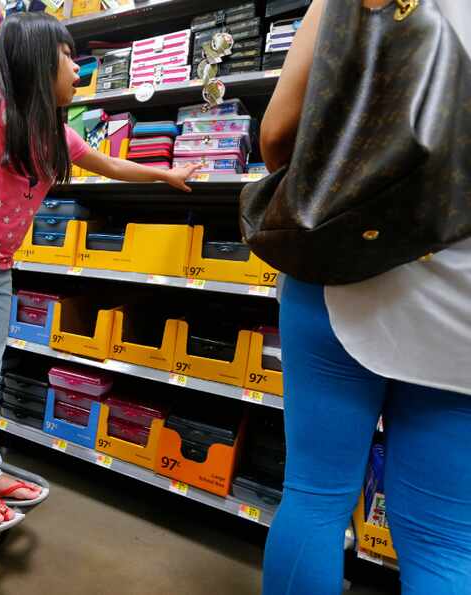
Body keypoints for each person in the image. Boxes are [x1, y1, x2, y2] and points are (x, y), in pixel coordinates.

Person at [0, 12, 200, 533]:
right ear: (35, 62)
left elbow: (112, 166)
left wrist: (166, 174)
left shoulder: (59, 136)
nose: (77, 66)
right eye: (67, 56)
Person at [260, 0, 471, 593]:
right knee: (446, 539)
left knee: (316, 498)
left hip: (346, 270)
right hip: (465, 306)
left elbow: (278, 132)